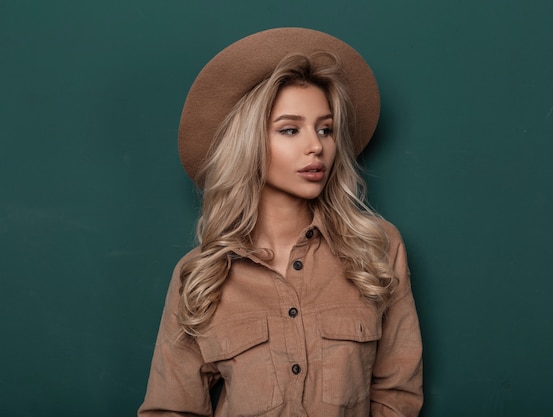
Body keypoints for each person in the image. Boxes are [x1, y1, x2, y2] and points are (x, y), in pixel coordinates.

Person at [138, 27, 423, 417]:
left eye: (326, 129)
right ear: (250, 141)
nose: (316, 146)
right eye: (290, 129)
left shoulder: (377, 250)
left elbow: (397, 395)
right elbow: (171, 409)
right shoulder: (200, 275)